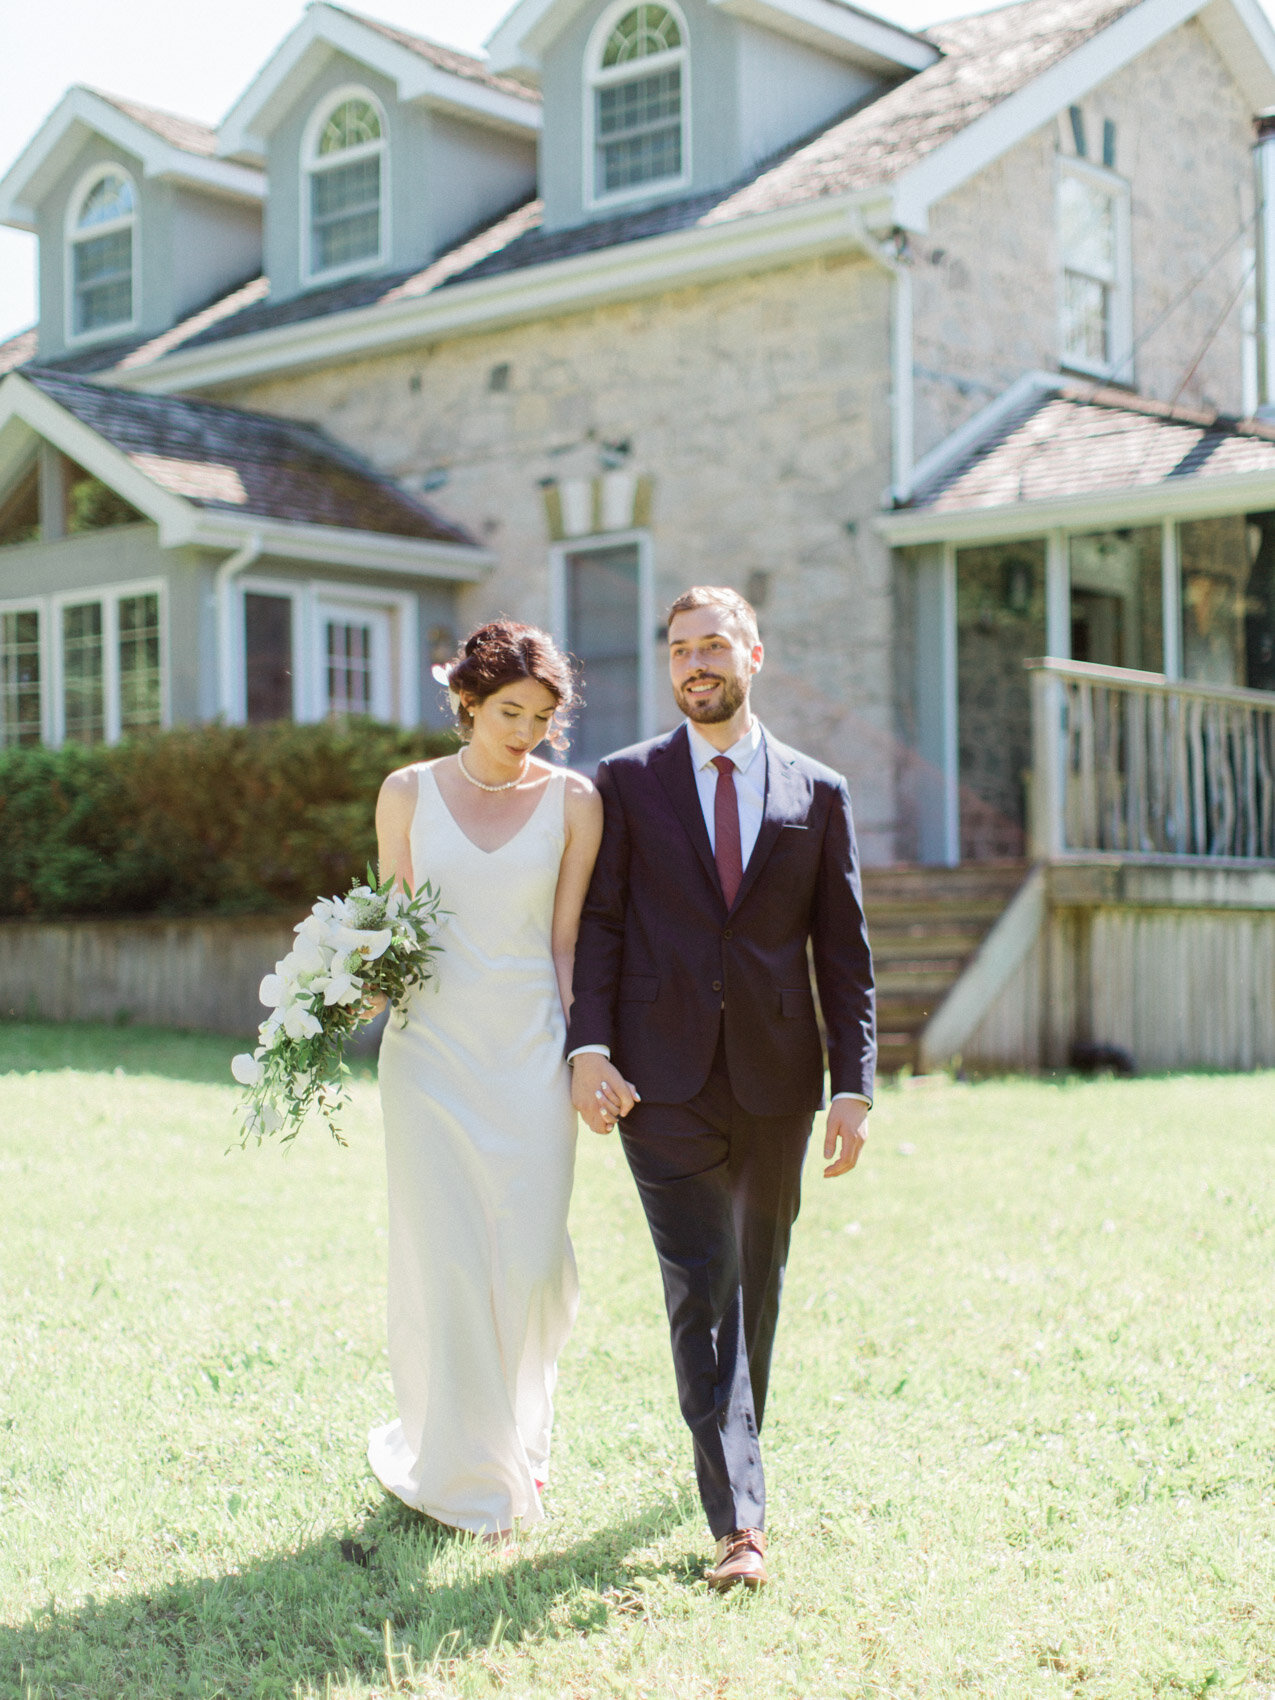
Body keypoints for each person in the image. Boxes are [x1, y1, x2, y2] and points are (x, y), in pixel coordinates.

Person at [568, 585, 875, 1591]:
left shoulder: (816, 792)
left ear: (753, 654)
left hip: (780, 1080)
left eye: (711, 646)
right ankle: (740, 1522)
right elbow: (602, 925)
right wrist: (590, 1045)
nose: (693, 663)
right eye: (677, 649)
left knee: (758, 1277)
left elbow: (844, 950)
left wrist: (854, 1084)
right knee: (702, 1282)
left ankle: (731, 1443)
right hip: (660, 1078)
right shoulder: (626, 780)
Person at [369, 620, 602, 1540]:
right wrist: (346, 992)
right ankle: (466, 1473)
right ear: (467, 701)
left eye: (542, 716)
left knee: (532, 1260)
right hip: (427, 1057)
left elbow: (567, 942)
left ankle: (520, 1447)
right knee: (451, 1260)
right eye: (510, 711)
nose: (525, 732)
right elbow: (394, 932)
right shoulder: (406, 792)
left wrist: (589, 1050)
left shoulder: (575, 802)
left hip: (531, 1055)